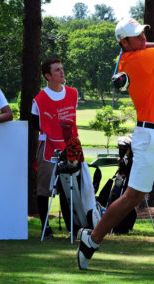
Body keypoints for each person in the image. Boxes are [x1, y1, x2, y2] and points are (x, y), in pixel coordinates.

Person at [77, 18, 154, 275]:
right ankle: (92, 240)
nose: (143, 39)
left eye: (143, 34)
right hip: (149, 135)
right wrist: (151, 46)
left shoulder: (134, 56)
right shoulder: (139, 59)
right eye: (136, 37)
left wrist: (142, 45)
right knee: (133, 197)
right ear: (124, 42)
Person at [31, 58, 100, 238]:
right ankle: (45, 227)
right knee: (44, 188)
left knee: (70, 186)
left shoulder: (73, 93)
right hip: (49, 147)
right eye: (57, 70)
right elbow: (35, 122)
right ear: (48, 76)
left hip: (71, 146)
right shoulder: (39, 99)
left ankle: (74, 226)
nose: (62, 72)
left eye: (62, 69)